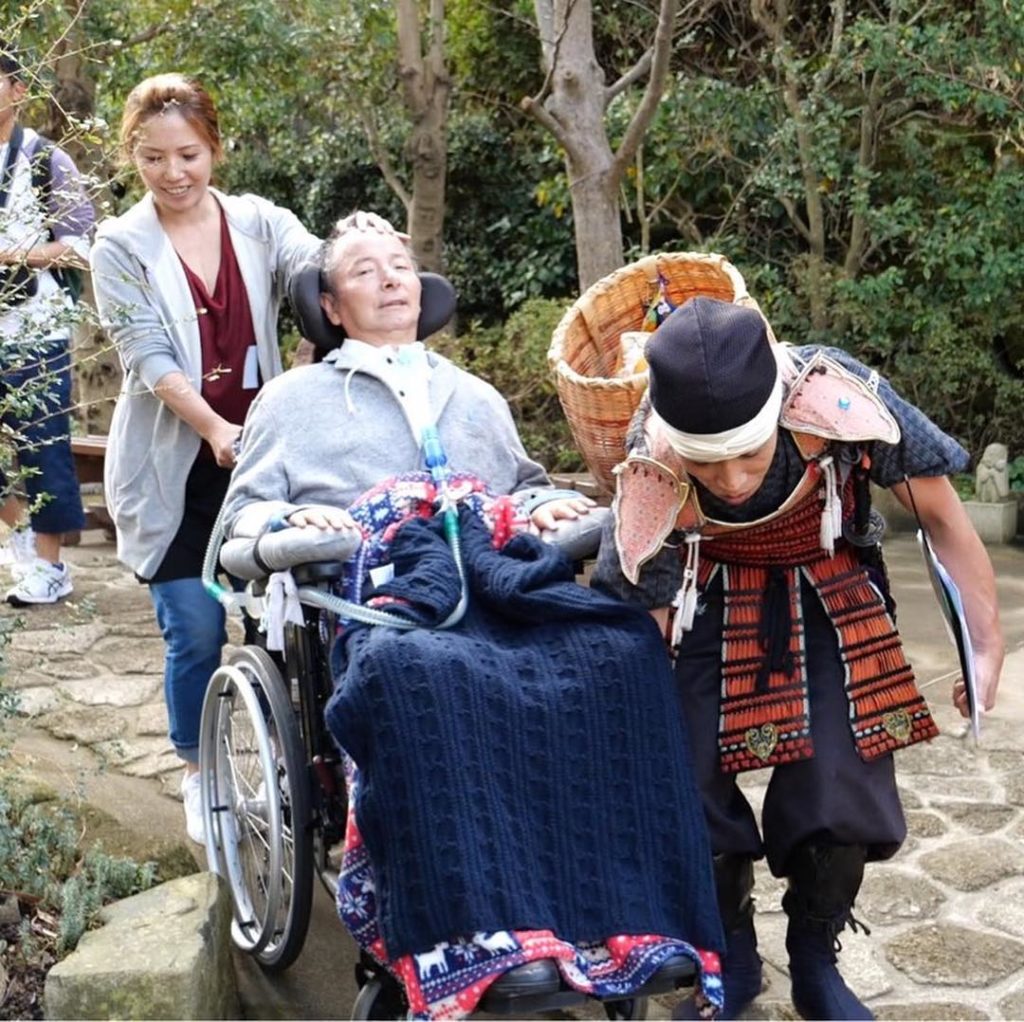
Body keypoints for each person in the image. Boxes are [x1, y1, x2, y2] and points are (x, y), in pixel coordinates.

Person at [220, 215, 728, 1018]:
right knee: (421, 675)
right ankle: (474, 936)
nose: (392, 278)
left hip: (502, 584)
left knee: (622, 649)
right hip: (387, 604)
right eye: (365, 271)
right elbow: (237, 531)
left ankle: (629, 920)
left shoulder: (475, 397)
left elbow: (522, 487)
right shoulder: (289, 403)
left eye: (402, 264)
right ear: (330, 305)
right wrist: (288, 532)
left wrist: (555, 506)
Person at [591, 296, 1005, 1021]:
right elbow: (646, 602)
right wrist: (639, 716)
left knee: (842, 774)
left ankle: (816, 959)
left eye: (747, 455)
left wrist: (985, 644)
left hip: (828, 583)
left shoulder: (840, 396)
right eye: (708, 464)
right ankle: (731, 958)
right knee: (677, 777)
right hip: (706, 595)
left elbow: (942, 516)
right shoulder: (651, 454)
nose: (731, 481)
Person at [89, 72, 321, 844]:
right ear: (134, 156)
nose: (174, 173)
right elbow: (148, 357)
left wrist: (341, 304)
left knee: (285, 624)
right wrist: (217, 428)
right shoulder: (120, 246)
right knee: (194, 628)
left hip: (267, 458)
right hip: (177, 466)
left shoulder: (257, 222)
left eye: (188, 154)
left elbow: (313, 268)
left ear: (215, 148)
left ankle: (296, 763)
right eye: (154, 158)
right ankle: (197, 768)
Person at [0, 42, 93, 604]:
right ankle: (19, 538)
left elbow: (83, 244)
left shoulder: (45, 160)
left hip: (34, 328)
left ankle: (51, 566)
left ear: (17, 90)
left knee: (43, 444)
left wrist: (17, 254)